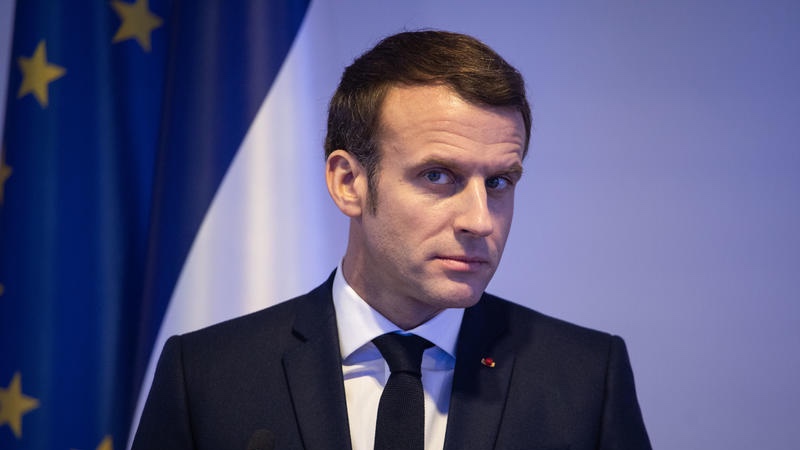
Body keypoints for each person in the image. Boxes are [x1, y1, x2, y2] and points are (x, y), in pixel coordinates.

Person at [132, 30, 651, 450]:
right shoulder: (206, 375)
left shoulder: (586, 378)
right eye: (437, 176)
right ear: (348, 183)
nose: (480, 221)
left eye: (498, 182)